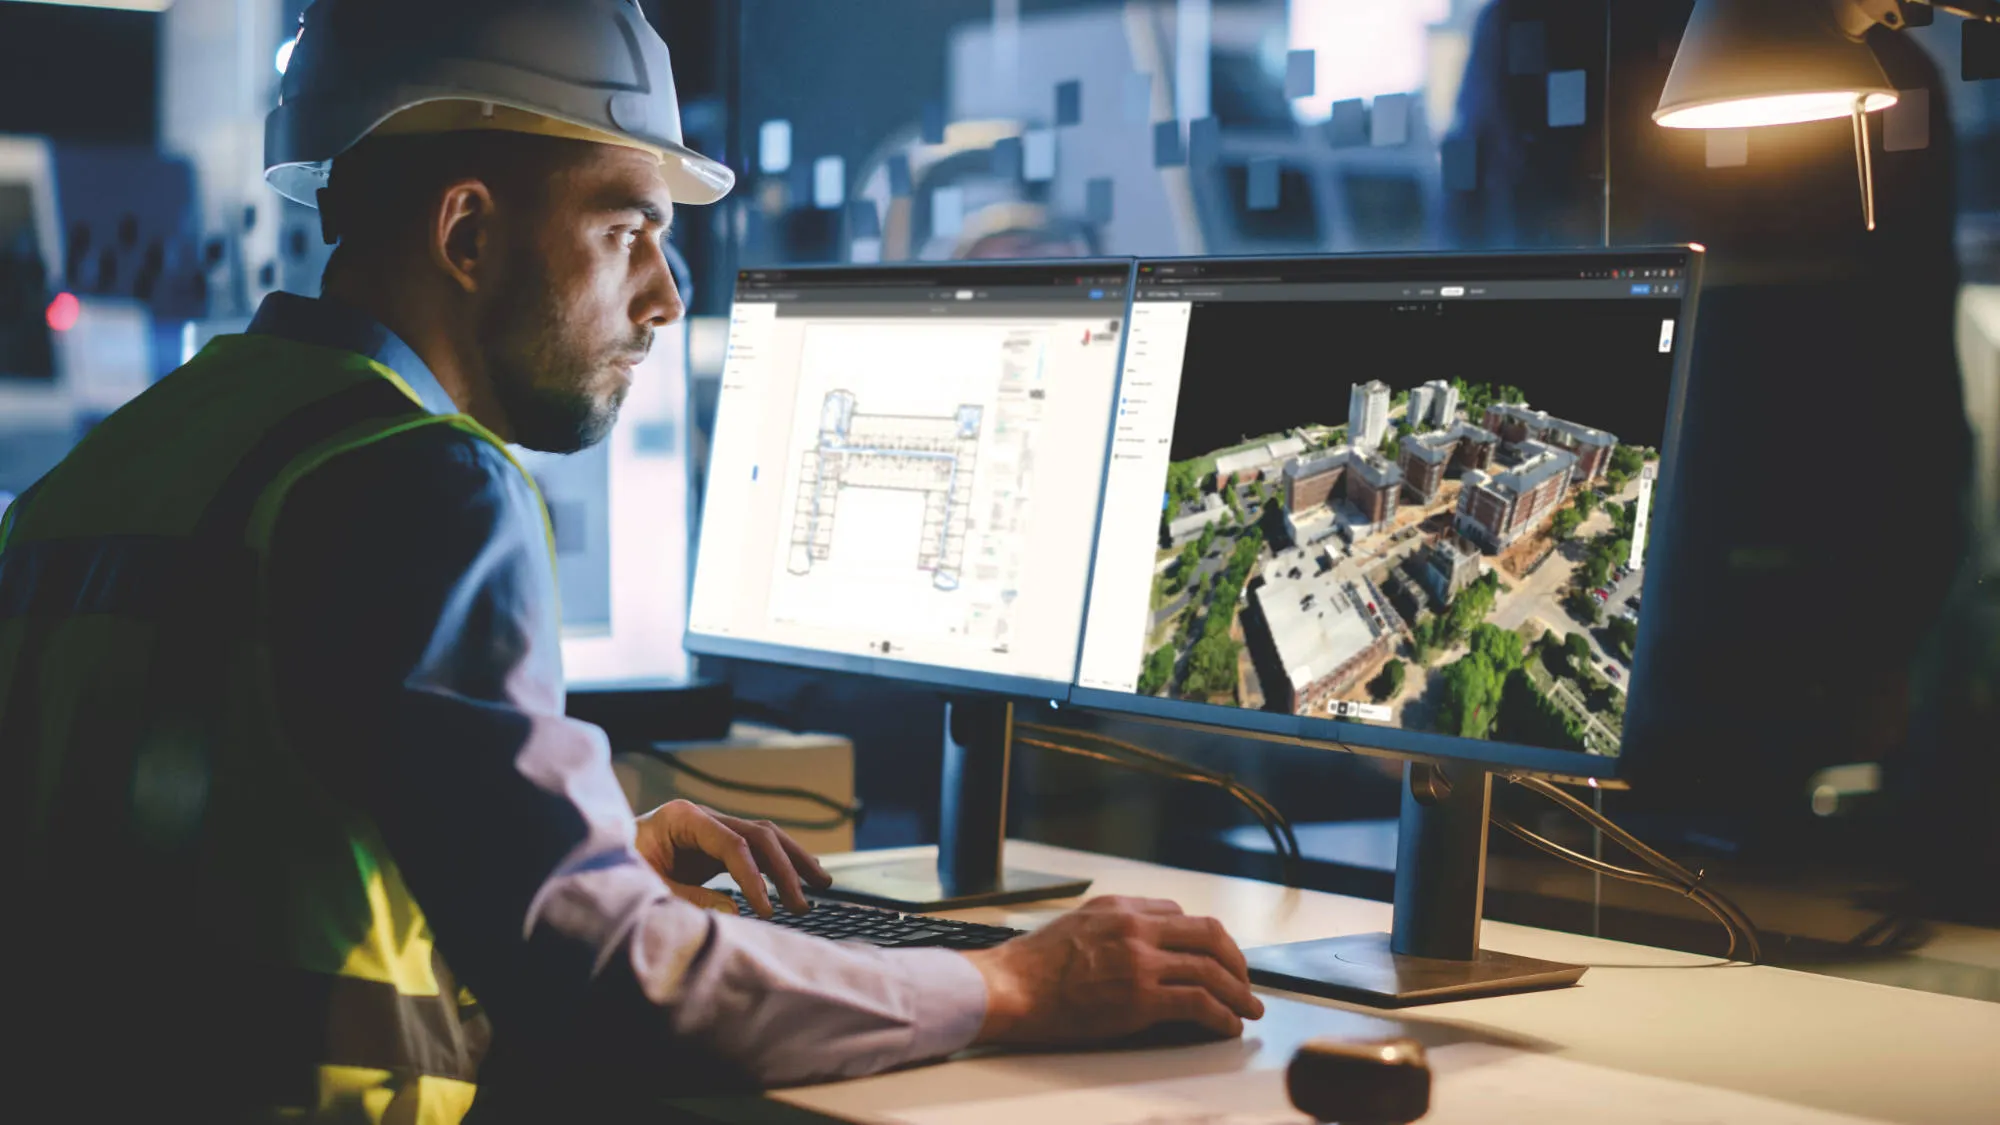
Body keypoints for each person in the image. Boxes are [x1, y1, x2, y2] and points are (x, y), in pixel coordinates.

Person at [0, 1, 1260, 1120]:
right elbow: (603, 979)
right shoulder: (416, 481)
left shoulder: (115, 466)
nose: (664, 295)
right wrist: (1006, 985)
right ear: (468, 233)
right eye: (626, 227)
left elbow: (208, 864)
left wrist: (569, 854)